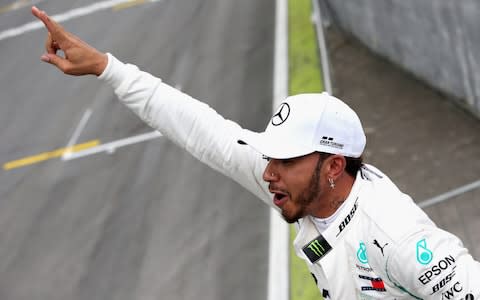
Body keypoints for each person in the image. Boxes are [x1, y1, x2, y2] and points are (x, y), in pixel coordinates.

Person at [31, 6, 480, 299]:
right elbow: (202, 130)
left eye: (286, 160)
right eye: (270, 156)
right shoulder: (299, 188)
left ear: (333, 165)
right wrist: (107, 68)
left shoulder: (399, 238)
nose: (269, 173)